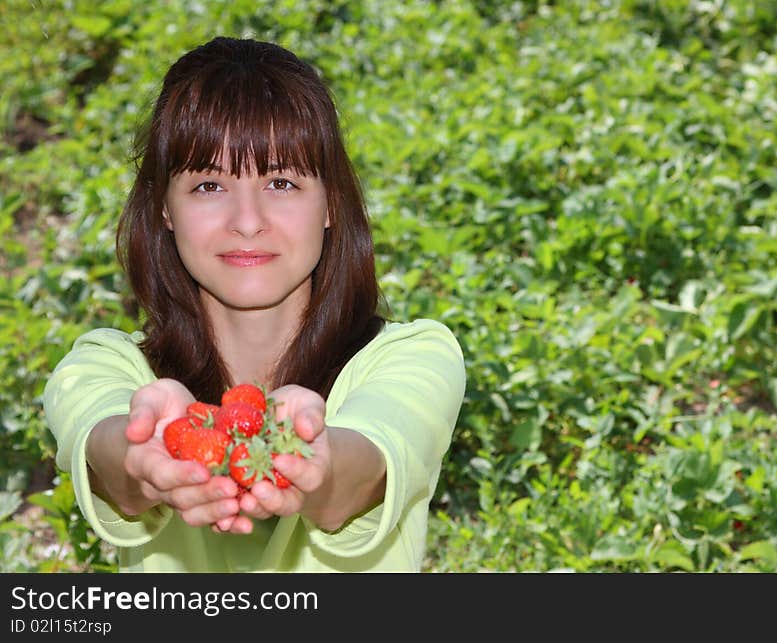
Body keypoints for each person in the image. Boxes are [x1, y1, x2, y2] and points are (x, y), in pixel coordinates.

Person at [42, 36, 466, 572]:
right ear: (165, 208)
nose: (247, 220)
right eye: (208, 186)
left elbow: (359, 470)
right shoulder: (105, 367)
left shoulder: (414, 356)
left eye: (282, 181)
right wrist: (141, 460)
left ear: (331, 202)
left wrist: (313, 461)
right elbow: (102, 441)